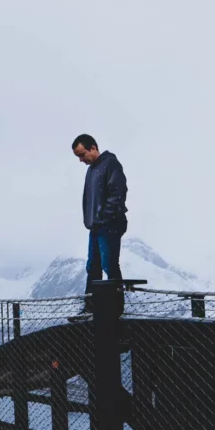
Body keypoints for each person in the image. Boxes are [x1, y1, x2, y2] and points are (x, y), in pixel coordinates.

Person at [72, 134, 128, 313]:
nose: (81, 160)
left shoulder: (110, 163)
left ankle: (116, 311)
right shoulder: (91, 169)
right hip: (96, 226)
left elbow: (118, 191)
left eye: (82, 155)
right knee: (92, 267)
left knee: (109, 265)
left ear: (93, 148)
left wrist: (105, 216)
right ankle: (90, 308)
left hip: (109, 225)